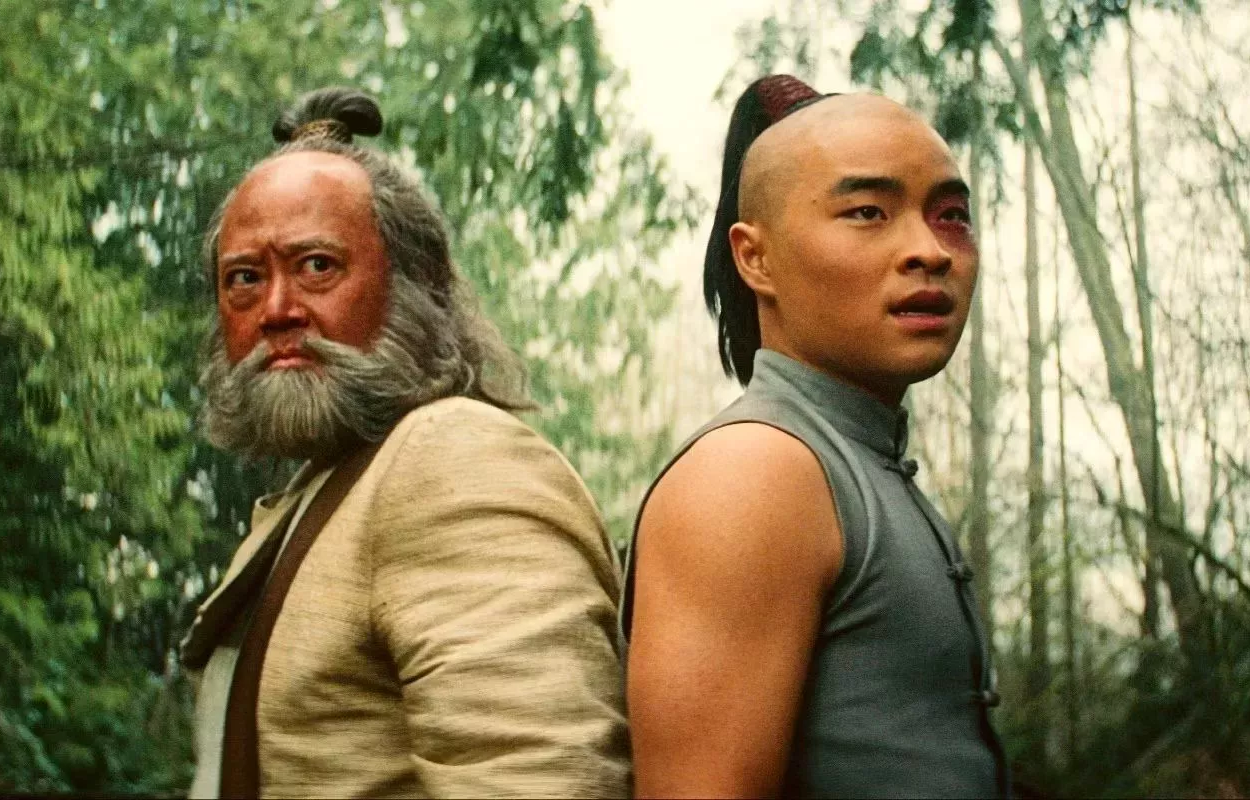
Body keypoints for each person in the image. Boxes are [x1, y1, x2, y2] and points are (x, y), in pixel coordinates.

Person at [179, 86, 629, 799]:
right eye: (244, 278)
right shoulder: (338, 478)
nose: (277, 309)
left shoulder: (459, 458)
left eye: (317, 266)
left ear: (415, 288)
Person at [621, 74, 1009, 798]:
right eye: (868, 212)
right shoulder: (756, 472)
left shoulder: (857, 459)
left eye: (952, 215)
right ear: (755, 258)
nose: (930, 250)